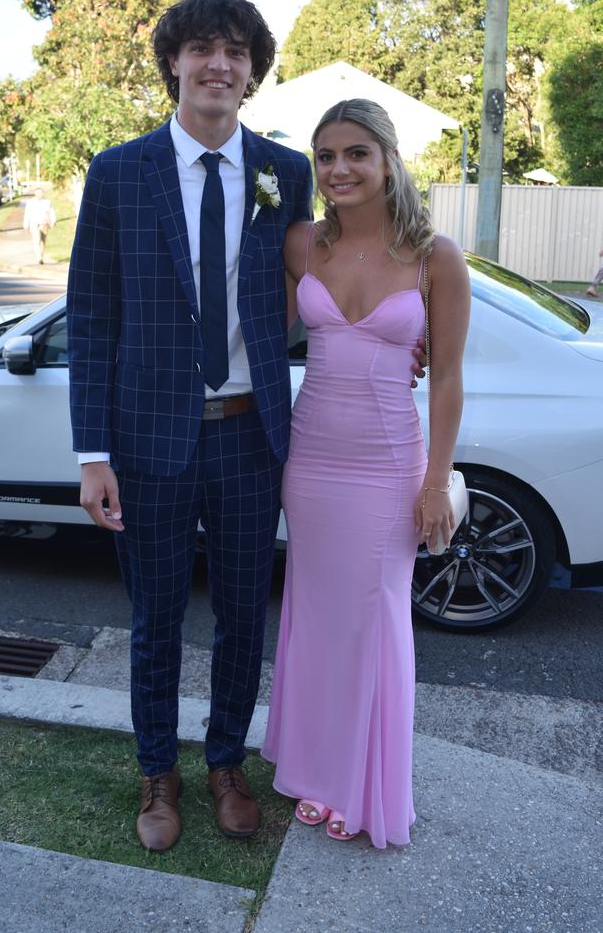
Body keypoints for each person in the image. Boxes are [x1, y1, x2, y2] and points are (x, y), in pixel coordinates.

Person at [67, 0, 426, 853]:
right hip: (147, 441)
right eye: (200, 49)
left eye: (234, 51)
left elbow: (329, 282)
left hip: (252, 437)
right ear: (174, 64)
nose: (217, 65)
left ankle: (227, 761)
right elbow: (90, 318)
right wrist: (92, 454)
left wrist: (397, 342)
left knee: (241, 614)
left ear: (253, 71)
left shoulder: (285, 173)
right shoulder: (119, 172)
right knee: (155, 617)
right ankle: (159, 772)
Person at [262, 98, 470, 849]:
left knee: (374, 619)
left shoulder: (434, 256)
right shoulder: (300, 246)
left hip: (388, 467)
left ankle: (362, 778)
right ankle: (314, 768)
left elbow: (445, 377)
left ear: (387, 160)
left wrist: (434, 481)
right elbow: (260, 334)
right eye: (325, 157)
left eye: (355, 153)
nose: (338, 169)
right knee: (315, 615)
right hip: (310, 460)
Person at [23, 187, 56, 264]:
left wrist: (53, 220)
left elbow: (51, 211)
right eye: (38, 193)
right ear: (35, 194)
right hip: (34, 224)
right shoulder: (30, 202)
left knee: (43, 242)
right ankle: (39, 258)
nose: (39, 194)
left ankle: (41, 256)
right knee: (36, 240)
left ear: (43, 194)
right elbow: (27, 213)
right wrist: (26, 224)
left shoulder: (47, 202)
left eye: (41, 193)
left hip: (44, 224)